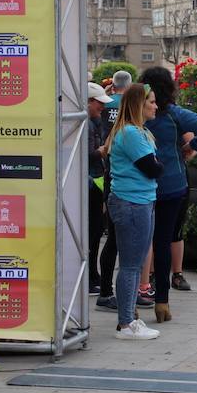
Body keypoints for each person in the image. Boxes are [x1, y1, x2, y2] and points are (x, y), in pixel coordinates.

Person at [141, 67, 197, 322]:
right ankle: (162, 301)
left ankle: (135, 295)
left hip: (139, 186)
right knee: (163, 241)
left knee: (138, 243)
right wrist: (190, 146)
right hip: (171, 185)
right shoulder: (174, 115)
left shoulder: (134, 115)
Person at [102, 83, 162, 340]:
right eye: (151, 101)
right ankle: (126, 323)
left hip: (139, 200)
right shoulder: (131, 134)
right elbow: (153, 168)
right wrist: (160, 165)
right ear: (139, 104)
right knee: (130, 265)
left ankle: (128, 319)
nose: (155, 106)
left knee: (133, 265)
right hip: (132, 202)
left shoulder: (136, 132)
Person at [87, 82, 114, 296]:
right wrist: (104, 150)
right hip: (90, 183)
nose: (102, 108)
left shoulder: (94, 122)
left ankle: (93, 277)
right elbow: (87, 154)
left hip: (95, 182)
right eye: (99, 103)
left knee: (96, 233)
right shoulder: (87, 124)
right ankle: (90, 278)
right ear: (87, 102)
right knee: (92, 234)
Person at [102, 70, 133, 137]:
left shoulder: (105, 101)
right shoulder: (133, 103)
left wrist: (104, 94)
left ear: (112, 85)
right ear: (130, 85)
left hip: (106, 142)